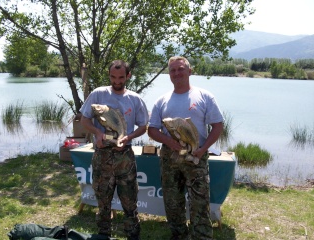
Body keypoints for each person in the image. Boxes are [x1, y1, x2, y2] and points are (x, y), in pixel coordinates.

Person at [147, 56, 224, 240]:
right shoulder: (162, 100)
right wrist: (170, 142)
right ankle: (179, 235)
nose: (177, 73)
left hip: (196, 157)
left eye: (180, 69)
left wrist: (204, 148)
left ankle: (202, 236)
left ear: (190, 71)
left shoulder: (205, 96)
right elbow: (152, 130)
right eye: (172, 70)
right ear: (169, 74)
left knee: (199, 203)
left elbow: (218, 126)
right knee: (173, 203)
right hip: (170, 158)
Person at [80, 60, 149, 240]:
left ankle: (133, 236)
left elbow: (143, 126)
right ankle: (103, 236)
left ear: (128, 76)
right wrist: (97, 133)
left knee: (130, 204)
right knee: (103, 204)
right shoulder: (98, 94)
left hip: (125, 156)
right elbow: (84, 120)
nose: (116, 81)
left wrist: (129, 137)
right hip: (102, 156)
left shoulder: (135, 98)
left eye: (120, 77)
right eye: (112, 77)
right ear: (109, 75)